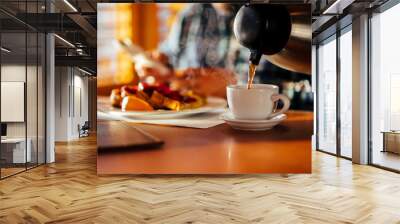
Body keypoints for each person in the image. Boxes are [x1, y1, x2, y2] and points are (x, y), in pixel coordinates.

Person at [136, 3, 248, 98]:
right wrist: (158, 65)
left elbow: (262, 79)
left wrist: (231, 86)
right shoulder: (191, 14)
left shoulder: (260, 17)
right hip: (186, 116)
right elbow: (170, 55)